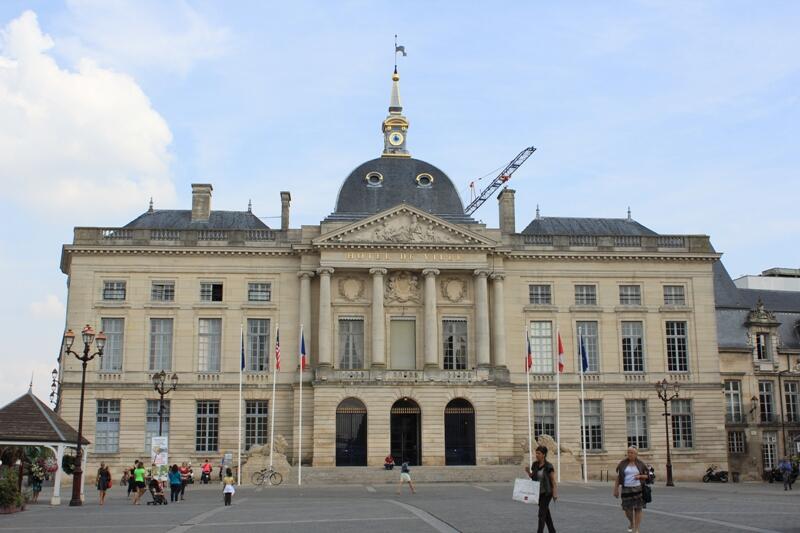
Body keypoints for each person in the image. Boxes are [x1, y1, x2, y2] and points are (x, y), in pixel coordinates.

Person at [613, 446, 650, 533]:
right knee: (627, 509)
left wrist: (640, 476)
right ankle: (631, 522)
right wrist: (616, 489)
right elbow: (618, 477)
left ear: (636, 454)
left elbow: (649, 475)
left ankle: (636, 528)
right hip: (626, 489)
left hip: (638, 489)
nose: (629, 454)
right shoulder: (622, 463)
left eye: (631, 452)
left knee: (638, 508)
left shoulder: (641, 464)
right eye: (628, 452)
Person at [524, 445, 558, 533]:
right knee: (546, 514)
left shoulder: (548, 466)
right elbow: (533, 477)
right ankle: (552, 531)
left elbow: (553, 481)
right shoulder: (535, 464)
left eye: (539, 453)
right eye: (536, 453)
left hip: (547, 493)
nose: (537, 455)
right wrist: (528, 472)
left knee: (541, 514)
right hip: (538, 493)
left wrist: (554, 493)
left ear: (543, 455)